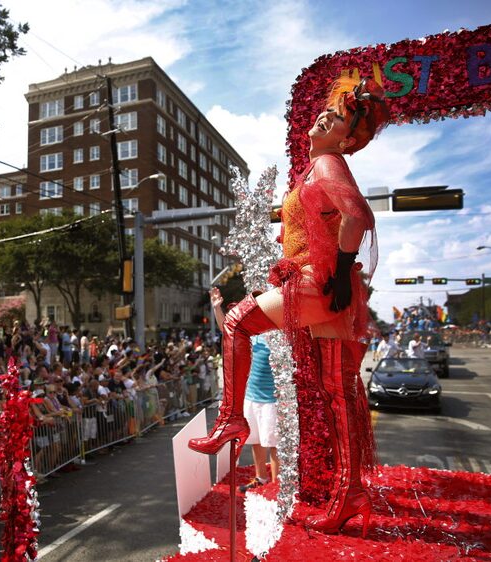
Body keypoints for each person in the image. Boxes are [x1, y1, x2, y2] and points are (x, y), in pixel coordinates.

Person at [187, 77, 388, 537]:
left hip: (318, 282)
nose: (326, 117)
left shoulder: (327, 163)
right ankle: (351, 491)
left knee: (237, 322)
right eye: (328, 112)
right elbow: (343, 217)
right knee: (340, 394)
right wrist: (341, 270)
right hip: (329, 287)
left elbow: (357, 213)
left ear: (348, 138)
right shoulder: (319, 165)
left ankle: (231, 420)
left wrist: (339, 268)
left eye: (337, 118)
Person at [210, 287, 280, 493]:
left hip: (272, 401)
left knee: (273, 443)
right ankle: (261, 478)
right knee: (256, 440)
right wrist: (217, 308)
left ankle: (276, 486)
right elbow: (227, 330)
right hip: (251, 398)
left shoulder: (279, 333)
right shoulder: (250, 332)